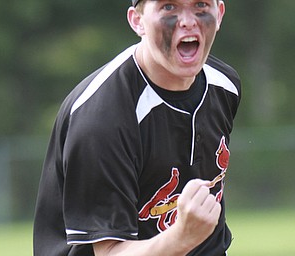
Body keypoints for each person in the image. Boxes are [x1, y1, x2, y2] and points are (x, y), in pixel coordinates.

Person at [33, 0, 241, 255]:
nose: (188, 21)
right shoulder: (101, 119)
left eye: (200, 5)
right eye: (169, 7)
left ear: (219, 14)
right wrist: (181, 238)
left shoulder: (225, 86)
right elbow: (109, 252)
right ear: (137, 21)